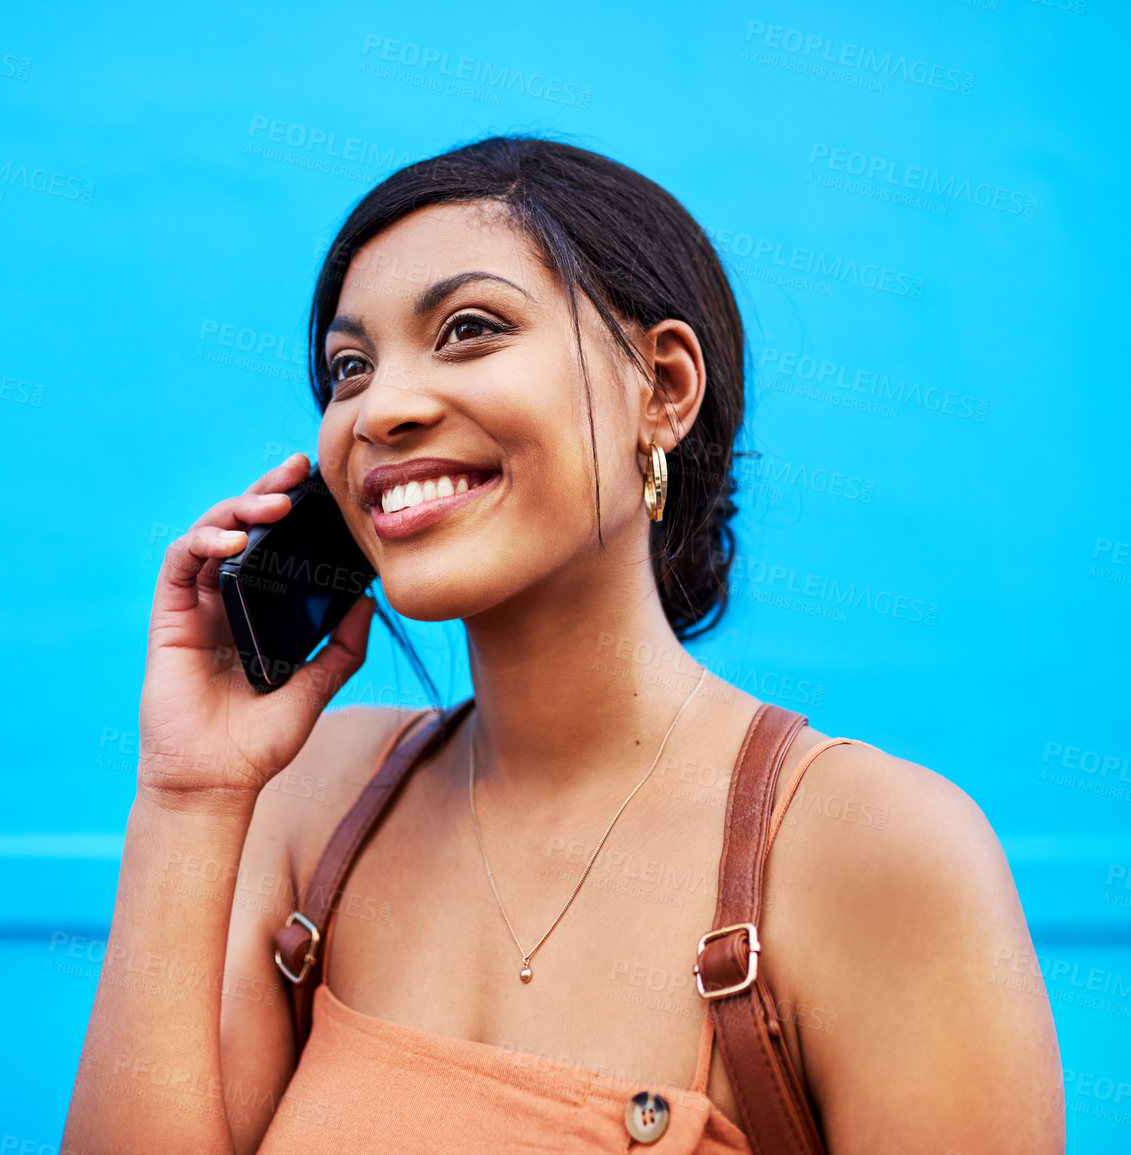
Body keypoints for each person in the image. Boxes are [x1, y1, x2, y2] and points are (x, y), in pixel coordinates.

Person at [64, 136, 1063, 1153]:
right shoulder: (313, 801)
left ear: (664, 388)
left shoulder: (874, 850)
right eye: (350, 368)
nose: (382, 410)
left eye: (467, 330)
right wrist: (187, 796)